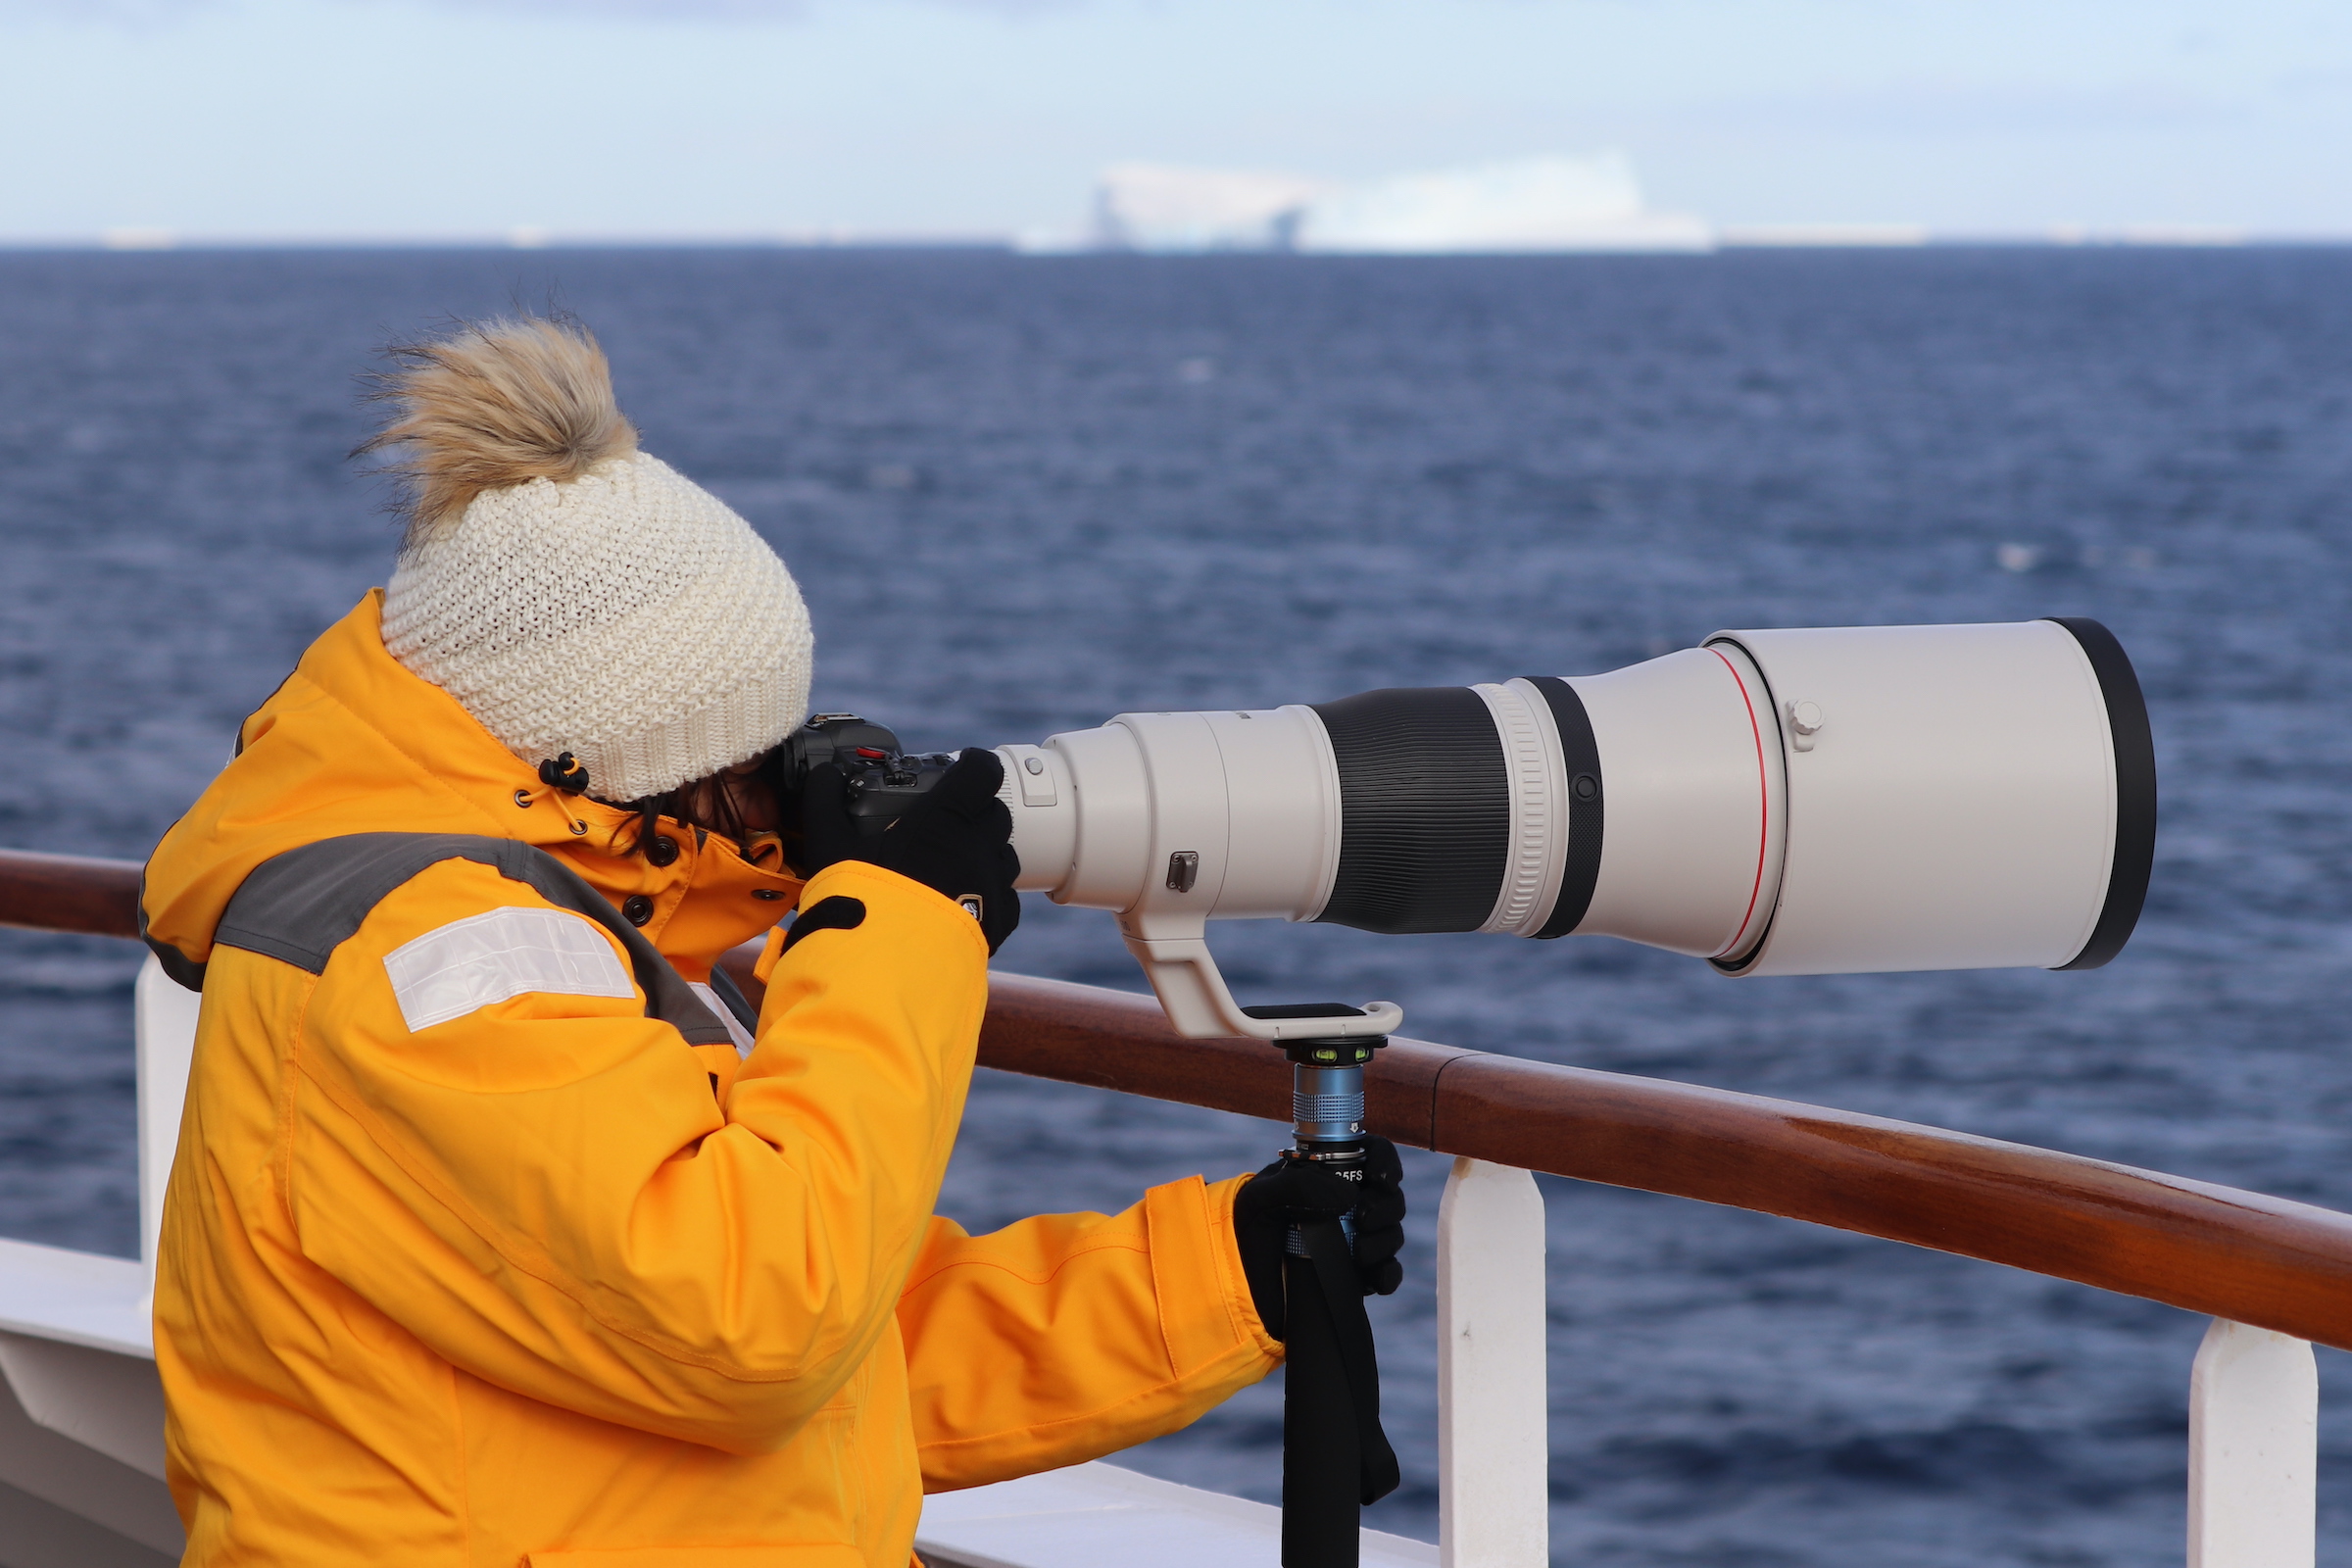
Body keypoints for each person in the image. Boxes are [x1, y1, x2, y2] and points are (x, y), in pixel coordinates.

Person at [138, 317, 1402, 1565]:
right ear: (626, 768)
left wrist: (1224, 1274)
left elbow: (838, 1351)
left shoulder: (559, 928)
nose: (775, 801)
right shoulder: (440, 964)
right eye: (754, 760)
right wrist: (905, 923)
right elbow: (757, 1321)